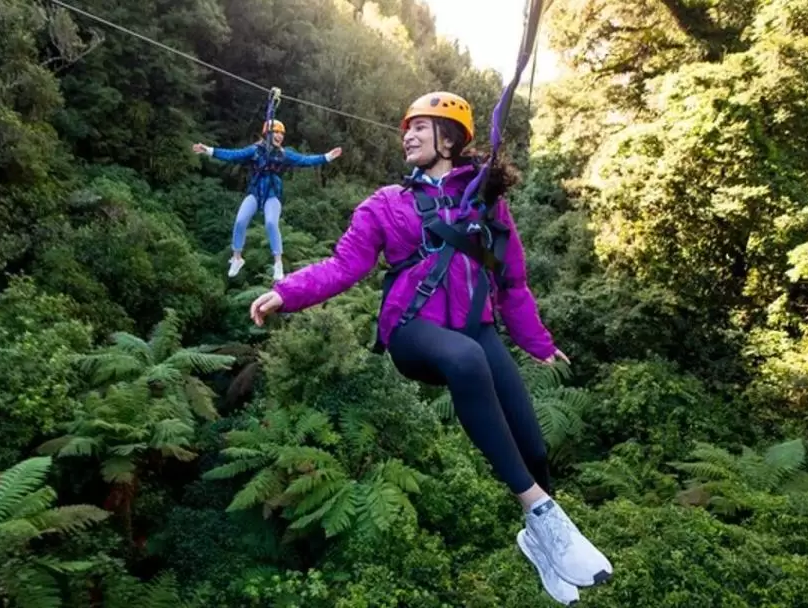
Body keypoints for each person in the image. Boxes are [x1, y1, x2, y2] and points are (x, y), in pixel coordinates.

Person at [246, 92, 612, 605]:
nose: (408, 136)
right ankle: (541, 514)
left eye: (420, 127)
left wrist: (538, 343)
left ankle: (540, 544)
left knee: (533, 444)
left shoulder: (485, 201)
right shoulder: (385, 204)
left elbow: (513, 282)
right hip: (413, 330)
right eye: (406, 129)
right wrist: (287, 293)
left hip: (478, 329)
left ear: (450, 137)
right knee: (465, 360)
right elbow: (342, 266)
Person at [192, 119, 343, 281]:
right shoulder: (255, 151)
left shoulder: (284, 155)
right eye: (276, 132)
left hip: (272, 193)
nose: (279, 136)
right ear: (268, 134)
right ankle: (237, 257)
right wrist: (208, 150)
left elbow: (304, 160)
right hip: (256, 191)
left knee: (271, 222)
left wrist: (326, 157)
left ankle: (278, 264)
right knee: (240, 221)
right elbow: (233, 155)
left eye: (281, 133)